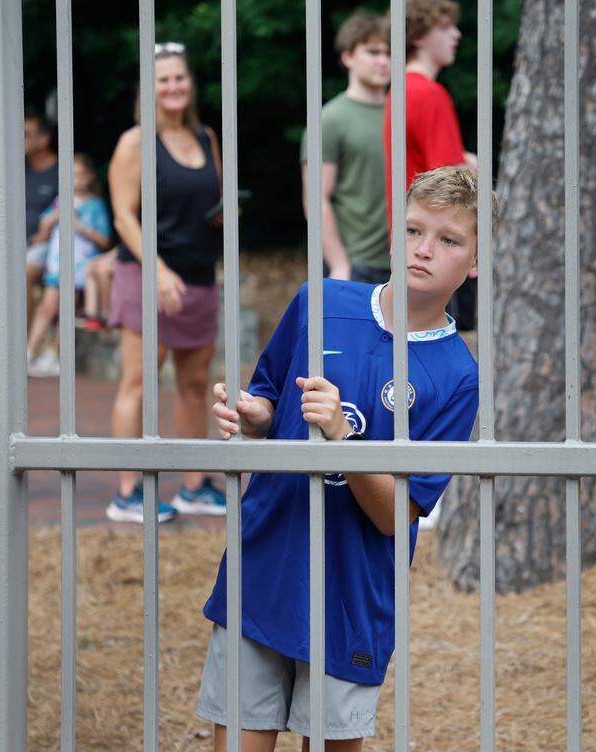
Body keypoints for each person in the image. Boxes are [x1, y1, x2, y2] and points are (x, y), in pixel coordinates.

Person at [199, 166, 485, 750]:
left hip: (352, 594)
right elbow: (271, 395)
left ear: (476, 263)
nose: (423, 250)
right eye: (413, 231)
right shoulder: (321, 300)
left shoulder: (458, 377)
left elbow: (394, 515)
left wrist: (341, 441)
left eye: (448, 240)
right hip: (264, 565)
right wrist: (254, 415)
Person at [105, 42, 229, 523]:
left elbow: (212, 201)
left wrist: (226, 214)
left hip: (199, 278)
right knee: (137, 382)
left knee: (196, 384)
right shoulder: (135, 142)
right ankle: (127, 493)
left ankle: (194, 487)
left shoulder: (205, 136)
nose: (174, 86)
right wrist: (158, 270)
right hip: (147, 275)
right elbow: (122, 215)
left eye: (180, 77)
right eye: (164, 79)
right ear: (148, 89)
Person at [384, 0, 477, 332]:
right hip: (440, 241)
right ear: (419, 35)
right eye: (444, 27)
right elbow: (453, 184)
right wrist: (473, 167)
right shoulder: (429, 94)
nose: (456, 34)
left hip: (411, 236)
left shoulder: (400, 89)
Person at [301, 11, 392, 285]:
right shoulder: (330, 119)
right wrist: (339, 263)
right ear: (348, 57)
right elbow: (316, 198)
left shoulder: (405, 112)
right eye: (373, 52)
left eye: (389, 53)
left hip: (409, 260)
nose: (384, 61)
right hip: (358, 265)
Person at [25, 153, 112, 376]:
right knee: (47, 307)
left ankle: (55, 355)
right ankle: (30, 352)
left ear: (90, 177)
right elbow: (44, 229)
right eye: (71, 175)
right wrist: (50, 221)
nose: (75, 179)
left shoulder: (95, 205)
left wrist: (80, 227)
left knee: (65, 310)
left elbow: (104, 240)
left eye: (80, 174)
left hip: (78, 266)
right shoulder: (60, 201)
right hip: (57, 263)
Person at [24, 113, 59, 293]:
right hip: (19, 244)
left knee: (22, 274)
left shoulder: (63, 171)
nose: (18, 139)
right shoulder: (20, 171)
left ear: (43, 139)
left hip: (50, 245)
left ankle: (21, 323)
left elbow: (81, 204)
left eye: (25, 135)